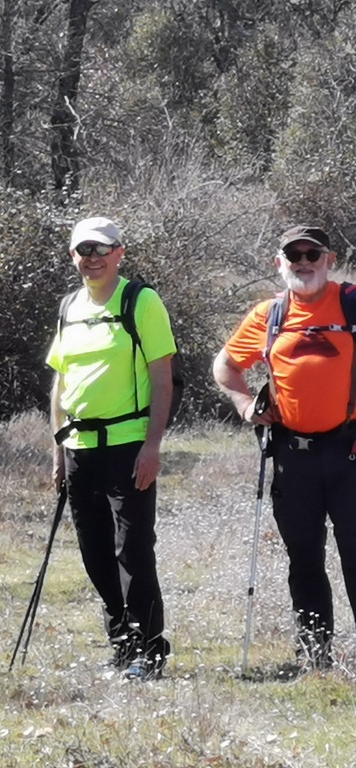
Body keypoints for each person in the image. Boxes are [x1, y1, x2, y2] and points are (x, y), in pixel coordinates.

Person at [213, 224, 356, 672]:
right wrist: (243, 403)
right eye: (293, 256)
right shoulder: (268, 315)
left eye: (312, 254)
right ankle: (315, 658)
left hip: (351, 453)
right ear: (280, 263)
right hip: (293, 458)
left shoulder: (352, 303)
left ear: (328, 260)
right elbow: (225, 365)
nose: (304, 263)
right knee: (304, 557)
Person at [46, 216, 176, 681]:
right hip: (79, 447)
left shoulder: (140, 301)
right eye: (84, 250)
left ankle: (150, 650)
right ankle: (121, 644)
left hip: (128, 446)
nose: (93, 258)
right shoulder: (69, 307)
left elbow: (163, 380)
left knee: (134, 550)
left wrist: (152, 445)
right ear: (73, 256)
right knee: (95, 551)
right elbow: (60, 385)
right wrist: (57, 449)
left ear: (120, 252)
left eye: (102, 249)